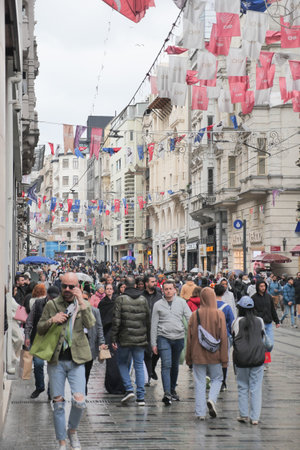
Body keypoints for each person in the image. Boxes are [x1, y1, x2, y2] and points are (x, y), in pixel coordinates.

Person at [37, 272, 96, 450]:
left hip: (77, 359)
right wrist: (51, 320)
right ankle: (62, 442)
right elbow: (40, 329)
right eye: (65, 286)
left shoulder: (83, 304)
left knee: (79, 401)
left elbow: (91, 324)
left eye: (72, 286)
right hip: (56, 360)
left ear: (78, 286)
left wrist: (82, 303)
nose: (68, 290)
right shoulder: (52, 304)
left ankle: (72, 430)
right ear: (60, 286)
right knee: (59, 404)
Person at [185, 287, 228, 420]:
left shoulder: (194, 314)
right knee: (217, 379)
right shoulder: (219, 314)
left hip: (198, 355)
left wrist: (188, 357)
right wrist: (224, 358)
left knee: (199, 382)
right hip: (215, 354)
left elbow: (190, 338)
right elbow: (224, 338)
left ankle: (200, 413)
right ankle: (212, 399)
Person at [111, 276, 150, 406]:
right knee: (138, 364)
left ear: (124, 286)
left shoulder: (120, 299)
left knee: (122, 362)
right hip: (140, 338)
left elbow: (116, 321)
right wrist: (148, 337)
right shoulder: (143, 299)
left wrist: (113, 338)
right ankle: (141, 397)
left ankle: (128, 388)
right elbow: (148, 319)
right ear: (135, 285)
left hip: (124, 337)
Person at [151, 280, 192, 405]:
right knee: (166, 365)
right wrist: (153, 343)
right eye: (166, 289)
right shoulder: (158, 305)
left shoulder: (182, 302)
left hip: (178, 337)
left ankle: (173, 389)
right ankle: (167, 393)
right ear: (163, 290)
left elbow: (190, 318)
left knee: (175, 365)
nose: (168, 291)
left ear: (175, 289)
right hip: (163, 337)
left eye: (170, 288)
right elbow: (154, 324)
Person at [232, 296, 266, 425]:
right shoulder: (260, 321)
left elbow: (233, 338)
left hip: (241, 359)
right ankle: (255, 417)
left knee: (242, 386)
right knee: (256, 387)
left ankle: (243, 414)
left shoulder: (237, 322)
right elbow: (262, 337)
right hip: (258, 358)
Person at [24, 285, 60, 399]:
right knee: (38, 364)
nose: (52, 300)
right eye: (51, 298)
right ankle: (40, 387)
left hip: (53, 341)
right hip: (38, 338)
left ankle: (51, 391)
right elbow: (30, 320)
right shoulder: (38, 304)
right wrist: (27, 336)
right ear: (47, 295)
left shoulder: (60, 306)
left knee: (53, 367)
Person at [98, 284, 124, 395]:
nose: (109, 290)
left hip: (116, 332)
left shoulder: (117, 301)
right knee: (109, 359)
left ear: (113, 290)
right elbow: (100, 318)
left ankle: (119, 384)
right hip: (106, 333)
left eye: (110, 288)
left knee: (117, 359)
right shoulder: (102, 303)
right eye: (107, 288)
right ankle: (110, 385)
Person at [82, 291, 106, 395]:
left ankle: (84, 384)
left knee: (88, 366)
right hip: (79, 341)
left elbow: (99, 327)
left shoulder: (95, 311)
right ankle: (81, 387)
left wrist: (101, 342)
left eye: (85, 299)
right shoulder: (75, 311)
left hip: (91, 340)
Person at [251, 280, 280, 363]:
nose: (263, 288)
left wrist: (277, 321)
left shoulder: (268, 297)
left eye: (264, 286)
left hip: (269, 324)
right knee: (261, 344)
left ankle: (265, 358)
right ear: (257, 287)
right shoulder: (253, 298)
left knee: (270, 344)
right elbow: (253, 311)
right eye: (261, 286)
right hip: (259, 324)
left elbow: (272, 309)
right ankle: (264, 361)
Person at [214, 284, 234, 392]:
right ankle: (223, 382)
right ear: (223, 293)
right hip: (224, 336)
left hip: (210, 336)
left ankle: (213, 379)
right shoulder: (226, 307)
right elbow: (232, 323)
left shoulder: (209, 306)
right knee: (224, 359)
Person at [143, 275, 162, 382]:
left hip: (157, 326)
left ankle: (152, 368)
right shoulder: (141, 296)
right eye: (152, 281)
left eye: (155, 281)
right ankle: (149, 372)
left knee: (157, 351)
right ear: (146, 283)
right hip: (144, 327)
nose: (155, 283)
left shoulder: (159, 296)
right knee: (146, 351)